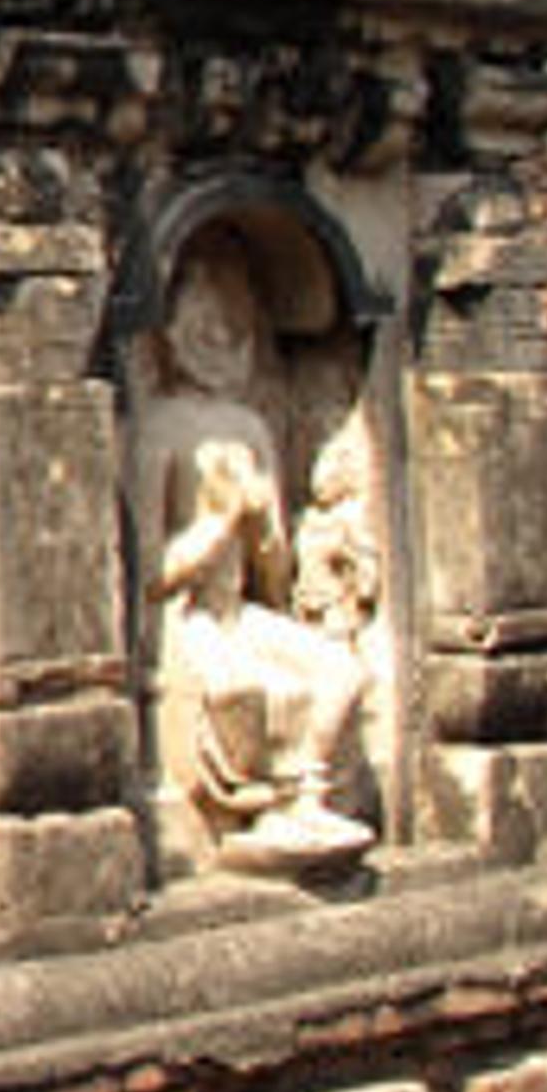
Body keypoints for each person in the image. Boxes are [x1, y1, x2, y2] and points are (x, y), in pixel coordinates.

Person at [129, 236, 370, 866]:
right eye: (199, 325)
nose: (215, 338)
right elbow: (147, 575)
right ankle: (261, 803)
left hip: (239, 611)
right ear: (168, 334)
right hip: (184, 617)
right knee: (240, 687)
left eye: (229, 325)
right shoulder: (158, 429)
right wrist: (216, 522)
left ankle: (306, 795)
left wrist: (263, 525)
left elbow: (275, 577)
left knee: (341, 674)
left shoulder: (251, 427)